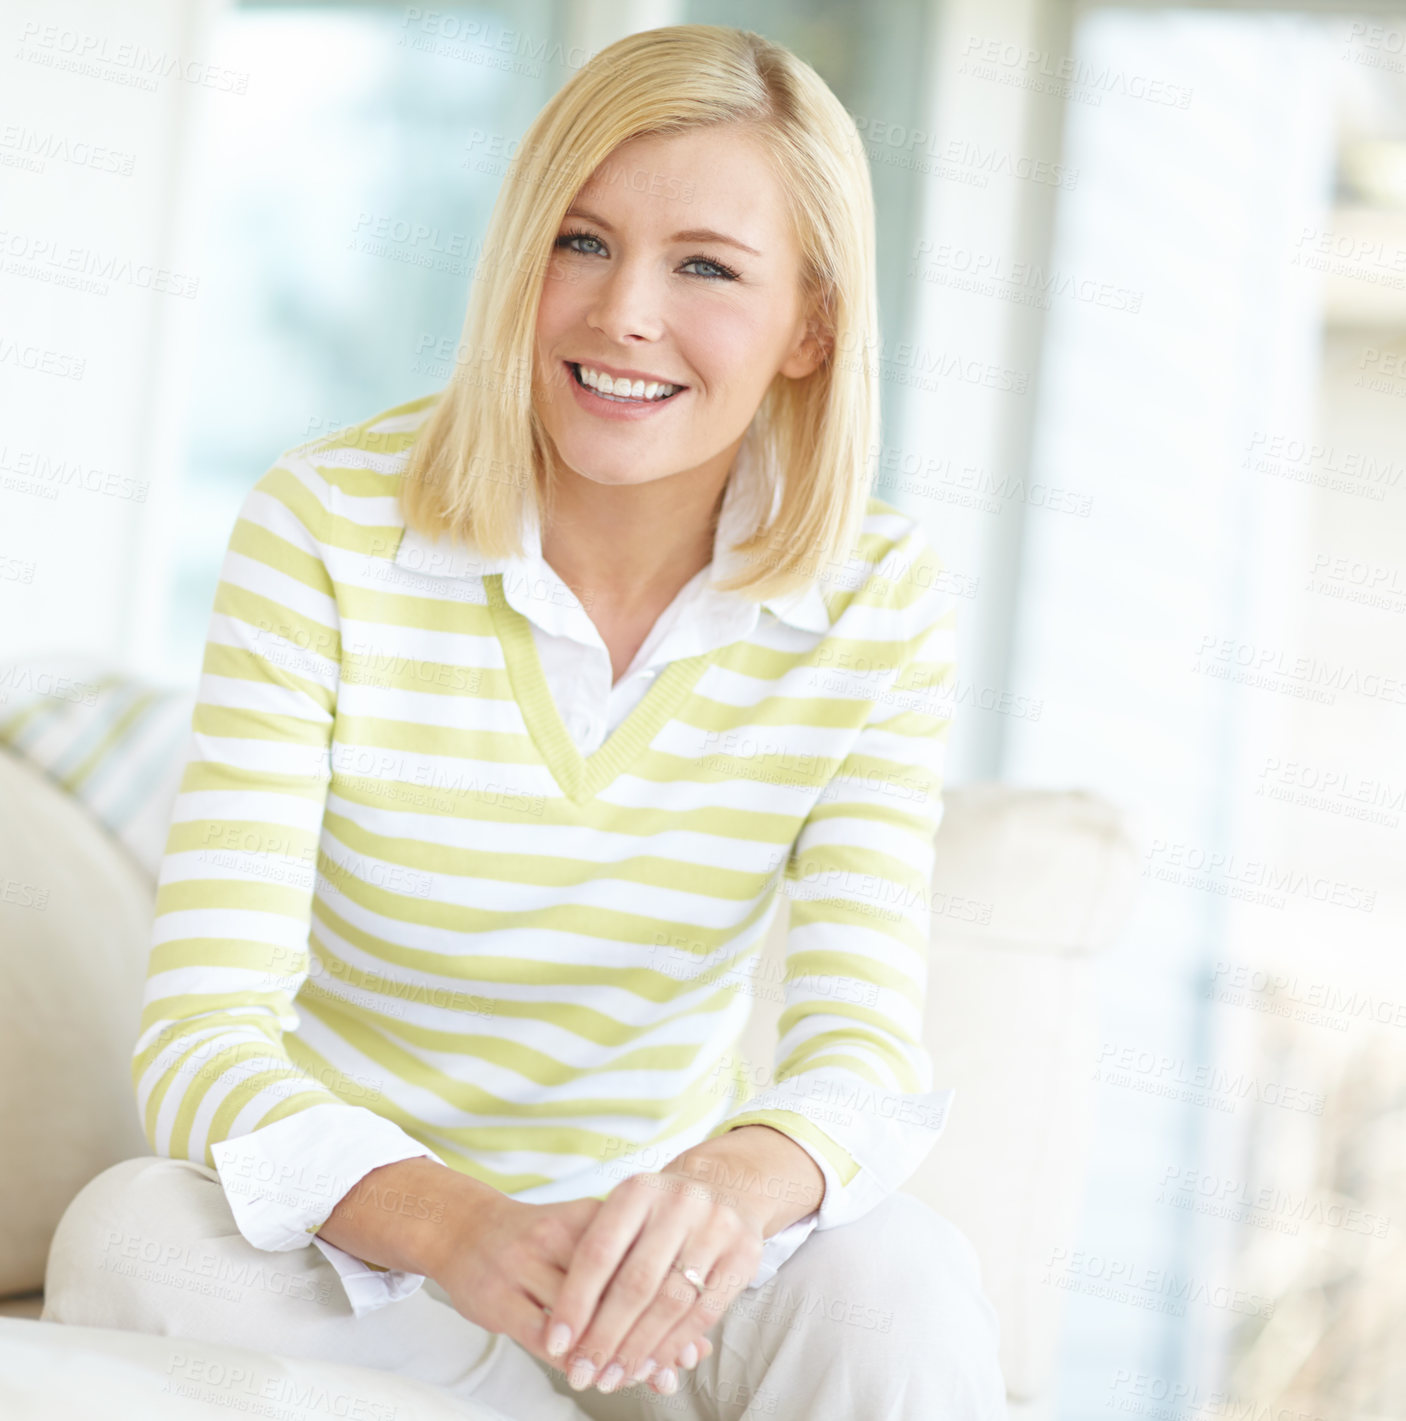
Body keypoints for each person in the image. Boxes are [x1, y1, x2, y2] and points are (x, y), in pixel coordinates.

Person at [43, 22, 1008, 1421]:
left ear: (810, 323)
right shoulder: (323, 528)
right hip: (372, 1271)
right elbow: (204, 1033)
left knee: (900, 1272)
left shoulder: (876, 595)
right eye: (580, 241)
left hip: (657, 1280)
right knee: (133, 1232)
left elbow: (860, 1053)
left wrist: (722, 1187)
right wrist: (453, 1226)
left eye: (705, 267)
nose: (623, 312)